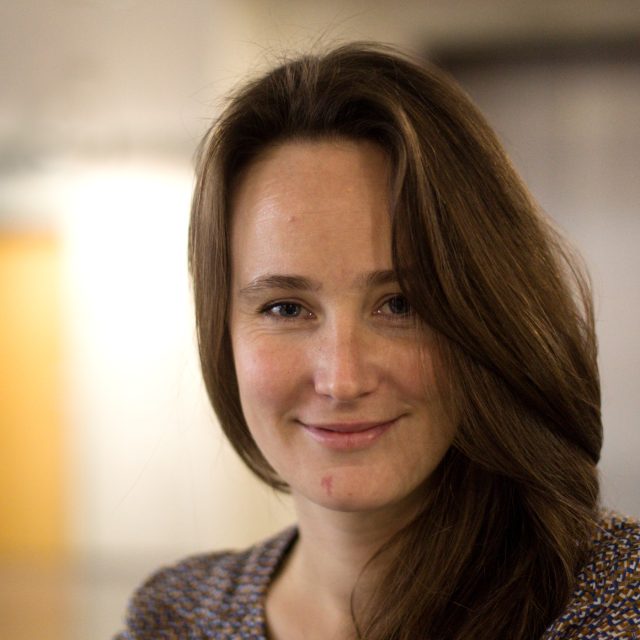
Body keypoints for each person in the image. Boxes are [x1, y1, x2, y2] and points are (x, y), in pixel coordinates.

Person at [115, 42, 639, 640]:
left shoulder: (617, 603)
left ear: (487, 314)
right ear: (222, 333)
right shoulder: (173, 618)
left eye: (401, 305)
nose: (342, 379)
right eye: (286, 308)